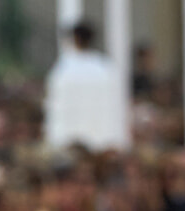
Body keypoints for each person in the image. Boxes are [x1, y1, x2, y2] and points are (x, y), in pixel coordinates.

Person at [44, 22, 126, 154]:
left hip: (71, 141)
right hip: (101, 140)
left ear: (74, 39)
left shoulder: (63, 70)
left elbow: (56, 108)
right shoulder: (106, 68)